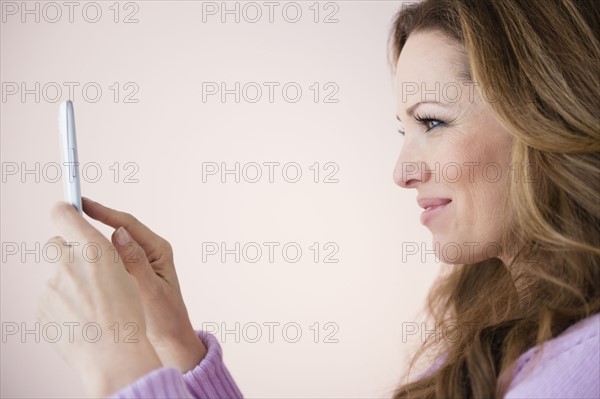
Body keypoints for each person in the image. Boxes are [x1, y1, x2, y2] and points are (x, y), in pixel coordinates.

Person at [36, 0, 599, 398]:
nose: (402, 171)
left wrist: (122, 367)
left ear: (546, 115)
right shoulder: (490, 335)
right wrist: (172, 340)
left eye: (432, 121)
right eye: (402, 131)